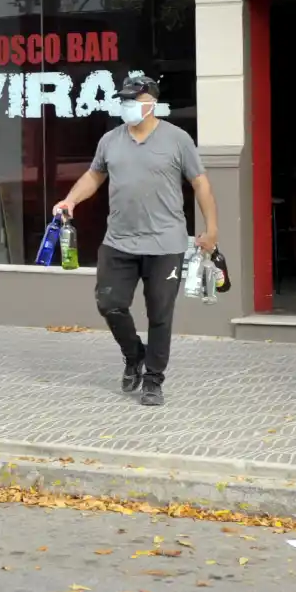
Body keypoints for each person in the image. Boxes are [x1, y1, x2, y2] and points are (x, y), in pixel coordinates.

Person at [54, 75, 218, 407]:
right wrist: (71, 200)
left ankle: (153, 380)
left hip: (165, 244)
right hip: (119, 242)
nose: (127, 106)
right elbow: (94, 175)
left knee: (160, 314)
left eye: (134, 99)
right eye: (124, 100)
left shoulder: (177, 139)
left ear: (151, 103)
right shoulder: (110, 140)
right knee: (109, 303)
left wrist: (211, 230)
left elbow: (201, 184)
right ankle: (134, 354)